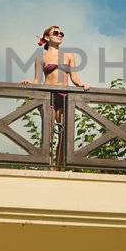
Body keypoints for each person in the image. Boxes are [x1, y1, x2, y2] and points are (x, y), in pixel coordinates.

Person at [24, 25, 87, 161]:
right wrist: (29, 83)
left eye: (61, 33)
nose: (60, 35)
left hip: (65, 96)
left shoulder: (69, 55)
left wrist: (81, 84)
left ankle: (59, 167)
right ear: (47, 37)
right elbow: (36, 79)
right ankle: (49, 165)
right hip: (48, 96)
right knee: (49, 132)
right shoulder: (41, 56)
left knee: (64, 134)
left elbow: (74, 77)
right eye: (56, 33)